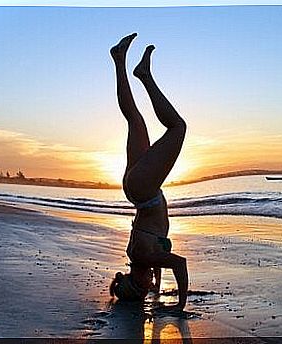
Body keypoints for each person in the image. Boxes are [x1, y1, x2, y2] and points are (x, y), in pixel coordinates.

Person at [108, 33, 188, 311]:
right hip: (134, 190)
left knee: (178, 128)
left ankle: (144, 75)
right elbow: (160, 264)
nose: (151, 286)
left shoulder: (146, 257)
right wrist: (153, 288)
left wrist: (180, 305)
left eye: (144, 287)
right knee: (134, 119)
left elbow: (179, 263)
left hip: (144, 189)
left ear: (137, 281)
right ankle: (119, 60)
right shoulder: (140, 258)